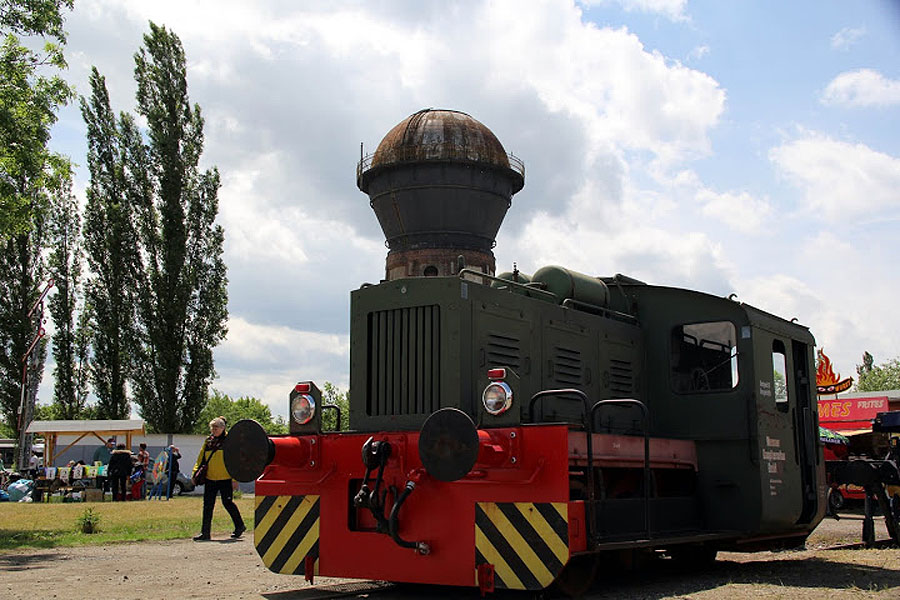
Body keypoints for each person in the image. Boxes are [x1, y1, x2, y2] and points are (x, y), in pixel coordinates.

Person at [192, 417, 245, 541]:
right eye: (212, 427)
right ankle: (205, 533)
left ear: (223, 428)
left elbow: (234, 461)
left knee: (228, 503)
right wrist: (195, 473)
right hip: (210, 478)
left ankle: (240, 526)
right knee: (207, 506)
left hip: (225, 478)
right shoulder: (208, 441)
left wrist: (234, 479)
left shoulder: (229, 441)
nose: (214, 430)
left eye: (216, 427)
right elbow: (201, 459)